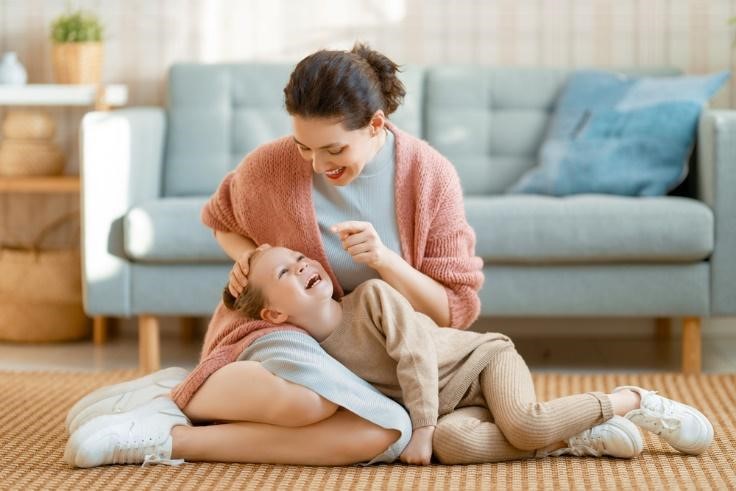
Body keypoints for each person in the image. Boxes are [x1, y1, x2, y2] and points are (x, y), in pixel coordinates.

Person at [64, 42, 486, 468]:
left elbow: (452, 311)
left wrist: (384, 260)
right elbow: (222, 219)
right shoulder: (272, 165)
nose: (318, 165)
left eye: (334, 150)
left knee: (388, 432)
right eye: (305, 147)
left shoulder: (431, 177)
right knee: (311, 401)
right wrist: (251, 258)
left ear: (375, 124)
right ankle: (188, 394)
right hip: (283, 329)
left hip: (377, 362)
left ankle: (169, 433)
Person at [223, 244, 714, 464]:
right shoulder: (307, 353)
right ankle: (571, 437)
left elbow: (415, 357)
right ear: (273, 318)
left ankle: (634, 400)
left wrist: (422, 428)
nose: (302, 264)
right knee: (452, 449)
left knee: (522, 425)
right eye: (285, 273)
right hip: (454, 406)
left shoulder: (371, 297)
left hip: (481, 363)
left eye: (299, 256)